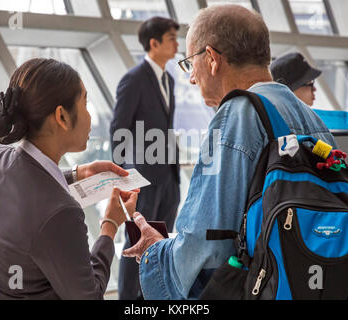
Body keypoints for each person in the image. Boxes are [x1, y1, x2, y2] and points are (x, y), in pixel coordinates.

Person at [122, 5, 336, 299]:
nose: (191, 78)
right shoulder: (315, 122)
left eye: (189, 64)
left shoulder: (235, 116)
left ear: (211, 59)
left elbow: (205, 244)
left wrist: (154, 252)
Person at [0, 58, 138, 300]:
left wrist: (77, 174)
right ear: (61, 116)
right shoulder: (61, 213)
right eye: (85, 102)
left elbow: (24, 181)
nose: (90, 115)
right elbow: (88, 295)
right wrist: (110, 225)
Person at [110, 16, 181, 300]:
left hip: (168, 177)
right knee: (135, 243)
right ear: (154, 43)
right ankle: (128, 299)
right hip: (142, 179)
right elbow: (118, 129)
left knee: (160, 242)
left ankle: (153, 296)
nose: (177, 44)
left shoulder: (169, 80)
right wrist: (124, 175)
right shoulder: (134, 79)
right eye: (172, 38)